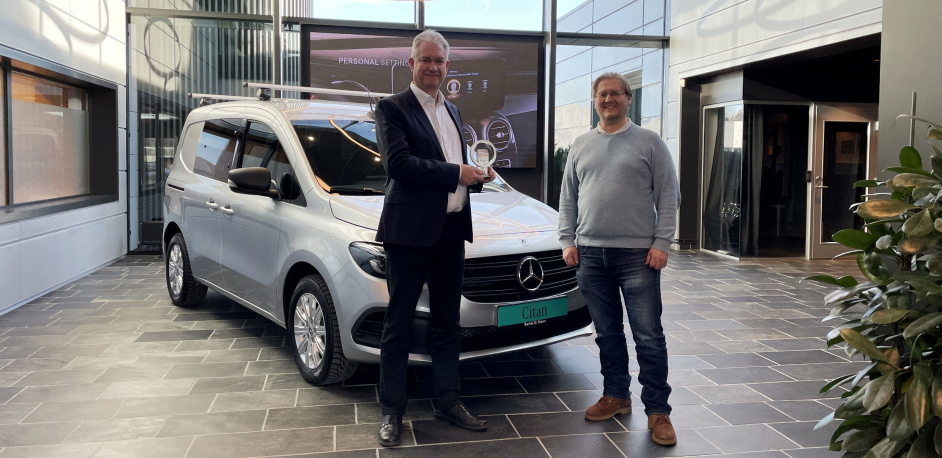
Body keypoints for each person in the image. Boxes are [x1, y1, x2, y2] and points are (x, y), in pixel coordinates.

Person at [373, 29, 495, 447]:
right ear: (411, 64)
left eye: (439, 61)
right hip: (408, 234)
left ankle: (448, 402)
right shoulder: (392, 107)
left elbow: (454, 165)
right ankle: (392, 412)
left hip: (451, 231)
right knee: (398, 325)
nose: (433, 67)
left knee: (448, 323)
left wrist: (477, 176)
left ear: (447, 66)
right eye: (425, 59)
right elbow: (398, 164)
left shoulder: (454, 111)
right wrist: (457, 173)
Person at [557, 72, 680, 446]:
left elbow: (669, 196)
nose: (608, 99)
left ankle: (658, 411)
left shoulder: (649, 142)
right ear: (594, 100)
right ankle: (616, 396)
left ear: (628, 98)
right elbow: (568, 198)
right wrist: (567, 240)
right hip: (590, 255)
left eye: (615, 93)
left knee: (649, 336)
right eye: (601, 94)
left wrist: (662, 243)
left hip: (638, 256)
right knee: (607, 334)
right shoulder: (581, 145)